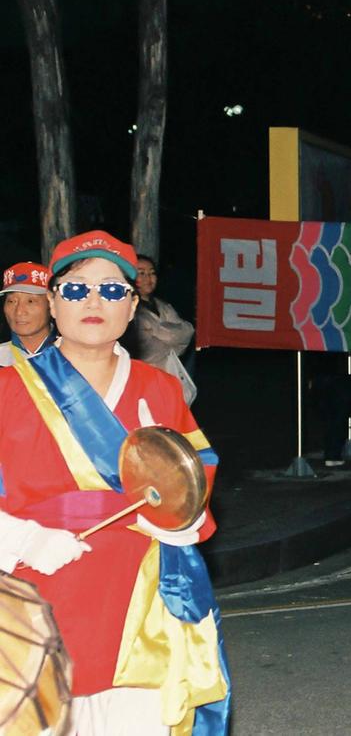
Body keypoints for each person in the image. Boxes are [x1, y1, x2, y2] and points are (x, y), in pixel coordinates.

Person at [0, 230, 230, 734]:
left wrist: (178, 520)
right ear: (53, 303)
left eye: (112, 290)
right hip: (35, 595)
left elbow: (197, 470)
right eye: (77, 289)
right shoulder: (6, 388)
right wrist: (20, 538)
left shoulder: (160, 388)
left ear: (131, 310)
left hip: (140, 601)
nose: (94, 302)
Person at [134, 254, 197, 403]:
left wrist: (156, 330)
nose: (148, 278)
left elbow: (187, 332)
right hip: (141, 382)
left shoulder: (163, 306)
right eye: (141, 273)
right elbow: (146, 351)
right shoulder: (128, 308)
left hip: (168, 378)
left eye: (152, 273)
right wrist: (172, 339)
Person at [0, 261, 55, 366]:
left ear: (51, 304)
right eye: (12, 301)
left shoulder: (74, 355)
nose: (19, 311)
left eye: (30, 301)